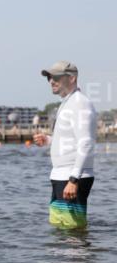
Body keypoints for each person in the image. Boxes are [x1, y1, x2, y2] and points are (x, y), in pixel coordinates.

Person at [33, 61, 97, 229]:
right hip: (61, 176)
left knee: (72, 234)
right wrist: (48, 140)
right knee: (61, 232)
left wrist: (73, 180)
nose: (51, 81)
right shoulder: (67, 102)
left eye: (56, 77)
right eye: (49, 78)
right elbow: (71, 140)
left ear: (72, 78)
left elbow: (86, 143)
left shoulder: (79, 103)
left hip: (71, 177)